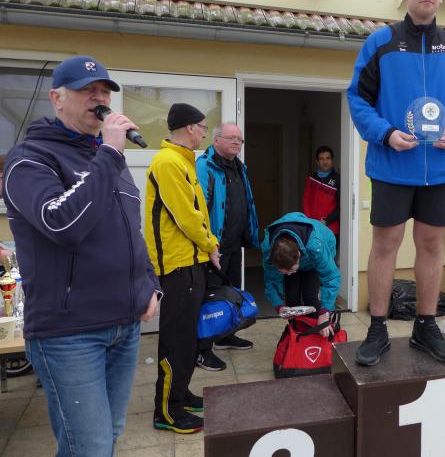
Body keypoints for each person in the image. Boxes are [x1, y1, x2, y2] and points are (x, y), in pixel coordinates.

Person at [2, 55, 160, 455]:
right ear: (57, 99)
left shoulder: (107, 158)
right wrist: (110, 154)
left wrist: (149, 284)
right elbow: (62, 224)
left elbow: (129, 232)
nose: (99, 98)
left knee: (107, 438)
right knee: (87, 447)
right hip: (70, 334)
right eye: (87, 90)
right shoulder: (29, 159)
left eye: (104, 91)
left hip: (125, 326)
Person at [347, 0, 445, 366]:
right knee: (385, 245)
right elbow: (358, 98)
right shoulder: (381, 43)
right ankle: (377, 328)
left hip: (440, 168)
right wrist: (385, 133)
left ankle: (426, 326)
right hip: (392, 166)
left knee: (431, 245)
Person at [145, 102, 220, 434]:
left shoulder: (184, 162)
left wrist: (207, 247)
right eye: (203, 127)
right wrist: (211, 244)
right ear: (190, 127)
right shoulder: (168, 162)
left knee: (188, 338)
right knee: (176, 340)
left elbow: (197, 213)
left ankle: (181, 393)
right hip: (177, 266)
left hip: (192, 263)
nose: (204, 133)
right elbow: (186, 217)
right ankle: (167, 411)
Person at [195, 122, 259, 371]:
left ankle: (225, 335)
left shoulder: (239, 167)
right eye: (231, 137)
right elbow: (198, 209)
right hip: (213, 248)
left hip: (234, 246)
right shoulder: (205, 166)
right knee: (209, 299)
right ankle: (201, 350)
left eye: (239, 139)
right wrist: (209, 245)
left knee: (230, 294)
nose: (236, 142)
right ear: (216, 140)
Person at [261, 212, 340, 336]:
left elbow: (331, 277)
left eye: (292, 270)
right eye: (284, 272)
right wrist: (279, 306)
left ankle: (318, 331)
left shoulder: (315, 246)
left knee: (309, 294)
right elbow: (271, 281)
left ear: (299, 255)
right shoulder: (268, 249)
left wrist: (325, 312)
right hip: (295, 253)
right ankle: (297, 335)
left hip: (320, 249)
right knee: (291, 297)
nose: (289, 274)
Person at [302, 145, 340, 239]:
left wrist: (327, 221)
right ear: (317, 161)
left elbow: (341, 206)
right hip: (312, 226)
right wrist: (309, 221)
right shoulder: (312, 178)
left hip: (331, 228)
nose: (325, 162)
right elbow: (306, 200)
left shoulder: (338, 180)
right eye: (322, 159)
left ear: (332, 160)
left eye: (328, 158)